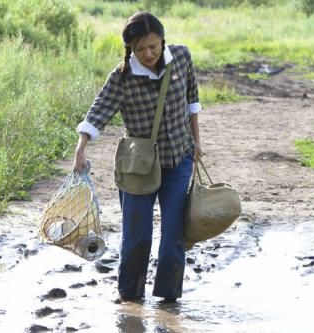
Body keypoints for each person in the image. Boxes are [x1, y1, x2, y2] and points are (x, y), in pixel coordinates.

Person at [73, 12, 202, 303]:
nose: (148, 54)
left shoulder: (181, 57)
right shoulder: (122, 77)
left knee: (174, 233)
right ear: (129, 48)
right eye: (140, 48)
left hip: (178, 159)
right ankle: (130, 297)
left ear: (162, 41)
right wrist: (80, 148)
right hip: (138, 166)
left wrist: (197, 142)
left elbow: (192, 101)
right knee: (138, 233)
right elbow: (98, 112)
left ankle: (169, 300)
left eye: (153, 46)